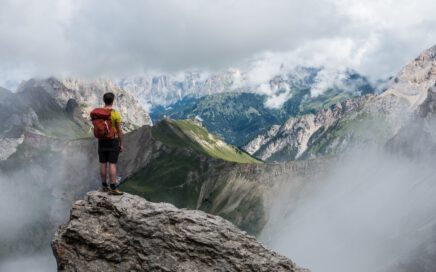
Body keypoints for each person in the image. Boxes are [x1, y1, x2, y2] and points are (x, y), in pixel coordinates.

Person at [97, 92, 124, 195]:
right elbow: (119, 130)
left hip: (102, 141)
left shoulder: (99, 113)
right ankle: (113, 187)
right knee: (112, 164)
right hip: (113, 140)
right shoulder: (115, 113)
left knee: (103, 163)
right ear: (113, 101)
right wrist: (121, 143)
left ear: (104, 100)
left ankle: (104, 186)